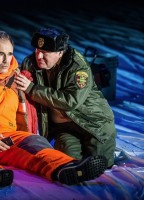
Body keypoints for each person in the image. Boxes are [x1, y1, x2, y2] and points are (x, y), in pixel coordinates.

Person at [0, 30, 107, 191]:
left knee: (34, 142)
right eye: (0, 54)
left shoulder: (20, 79)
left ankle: (66, 167)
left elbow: (49, 83)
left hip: (6, 139)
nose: (6, 60)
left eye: (9, 54)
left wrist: (31, 86)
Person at [16, 27, 117, 168]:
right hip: (65, 129)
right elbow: (12, 76)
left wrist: (32, 89)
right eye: (37, 51)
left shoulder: (77, 66)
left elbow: (71, 100)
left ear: (59, 52)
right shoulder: (31, 63)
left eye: (45, 53)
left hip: (94, 126)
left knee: (100, 166)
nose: (39, 56)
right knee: (67, 165)